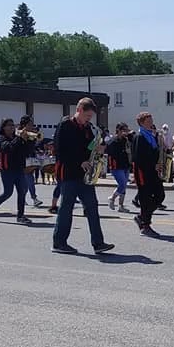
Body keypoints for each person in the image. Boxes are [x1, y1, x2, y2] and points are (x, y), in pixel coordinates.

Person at [51, 98, 114, 254]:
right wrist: (80, 161)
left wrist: (98, 148)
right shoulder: (65, 125)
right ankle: (59, 243)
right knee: (66, 208)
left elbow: (87, 148)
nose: (88, 120)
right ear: (79, 109)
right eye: (87, 116)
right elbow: (60, 151)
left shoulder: (87, 128)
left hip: (84, 175)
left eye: (90, 117)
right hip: (68, 174)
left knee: (92, 207)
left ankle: (98, 243)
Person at [0, 119, 34, 224]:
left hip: (19, 169)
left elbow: (27, 151)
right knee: (8, 192)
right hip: (7, 169)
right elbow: (7, 148)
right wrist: (19, 138)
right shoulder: (1, 138)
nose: (12, 127)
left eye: (13, 125)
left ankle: (20, 216)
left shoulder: (17, 138)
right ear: (3, 127)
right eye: (9, 125)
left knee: (22, 191)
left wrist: (30, 140)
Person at [130, 111, 166, 237]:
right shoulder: (139, 137)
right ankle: (145, 225)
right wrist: (153, 165)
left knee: (160, 195)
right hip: (143, 172)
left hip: (153, 171)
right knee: (145, 199)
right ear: (141, 122)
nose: (151, 123)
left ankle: (141, 217)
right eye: (148, 121)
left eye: (151, 120)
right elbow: (139, 158)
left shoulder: (151, 136)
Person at [105, 122, 132, 212]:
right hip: (116, 166)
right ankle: (112, 198)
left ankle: (121, 206)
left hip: (125, 165)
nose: (126, 132)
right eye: (124, 130)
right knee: (122, 184)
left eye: (126, 130)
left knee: (124, 186)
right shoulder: (113, 141)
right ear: (118, 131)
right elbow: (109, 152)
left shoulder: (126, 140)